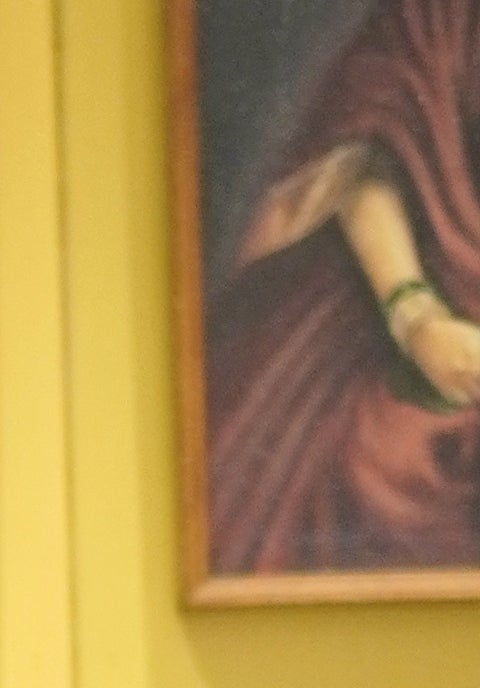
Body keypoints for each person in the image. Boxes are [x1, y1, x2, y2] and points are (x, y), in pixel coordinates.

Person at [203, 0, 480, 579]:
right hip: (411, 317)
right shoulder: (433, 16)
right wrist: (418, 318)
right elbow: (363, 159)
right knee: (385, 472)